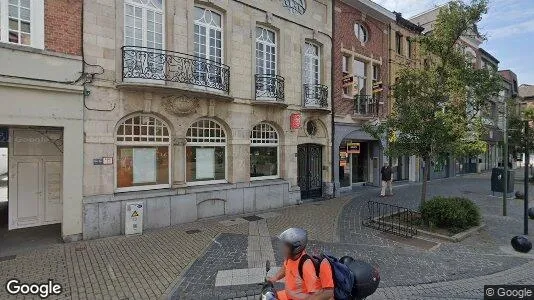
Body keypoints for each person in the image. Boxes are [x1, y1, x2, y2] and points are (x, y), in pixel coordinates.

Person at [267, 228, 334, 300]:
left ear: (296, 248)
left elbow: (315, 295)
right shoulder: (289, 258)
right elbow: (286, 267)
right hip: (289, 295)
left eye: (286, 246)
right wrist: (274, 278)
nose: (282, 248)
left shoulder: (306, 266)